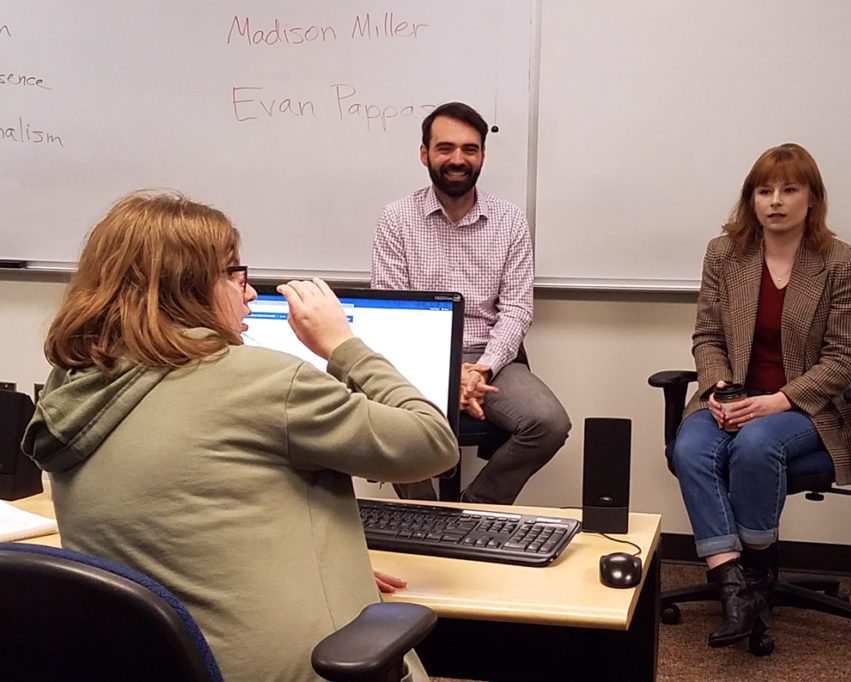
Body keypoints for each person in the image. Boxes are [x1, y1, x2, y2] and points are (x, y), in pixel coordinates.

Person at [21, 190, 459, 682]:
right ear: (189, 287)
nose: (250, 292)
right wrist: (344, 344)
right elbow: (432, 442)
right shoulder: (264, 380)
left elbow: (177, 526)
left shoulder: (73, 386)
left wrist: (329, 563)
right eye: (235, 273)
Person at [671, 143, 851, 648]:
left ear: (812, 199)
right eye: (764, 190)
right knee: (691, 447)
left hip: (806, 405)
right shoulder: (724, 254)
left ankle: (756, 568)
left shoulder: (844, 264)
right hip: (735, 394)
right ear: (751, 199)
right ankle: (735, 585)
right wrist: (718, 386)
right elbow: (707, 336)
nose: (775, 201)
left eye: (789, 189)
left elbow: (845, 359)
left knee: (756, 445)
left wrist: (777, 400)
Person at [371, 101, 571, 505]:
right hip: (418, 357)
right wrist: (444, 375)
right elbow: (393, 315)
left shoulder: (510, 220)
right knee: (391, 419)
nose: (457, 159)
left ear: (482, 154)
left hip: (490, 358)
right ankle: (422, 514)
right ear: (425, 153)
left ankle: (472, 509)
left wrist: (478, 370)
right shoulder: (396, 219)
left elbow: (517, 310)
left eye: (470, 149)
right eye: (445, 148)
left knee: (549, 423)